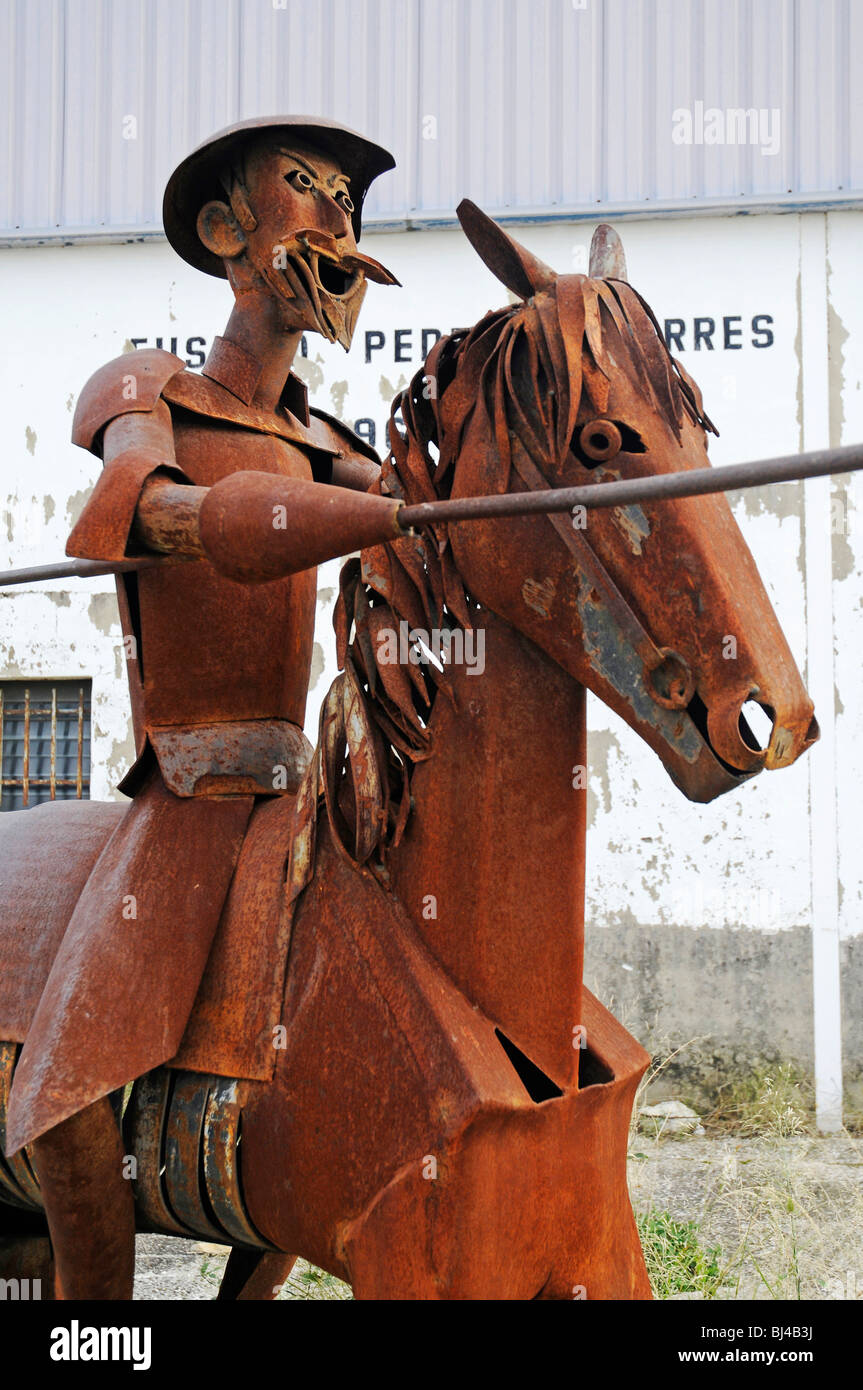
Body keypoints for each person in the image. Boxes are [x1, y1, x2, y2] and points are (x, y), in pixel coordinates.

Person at [6, 115, 398, 1298]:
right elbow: (146, 510)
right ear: (229, 231)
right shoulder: (145, 391)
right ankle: (96, 1327)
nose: (336, 219)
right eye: (305, 190)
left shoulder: (324, 440)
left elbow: (423, 513)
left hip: (299, 794)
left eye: (347, 198)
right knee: (67, 1091)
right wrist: (286, 519)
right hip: (187, 789)